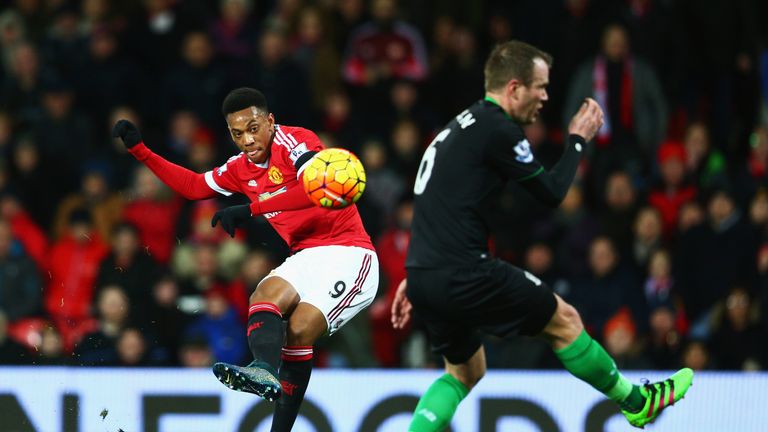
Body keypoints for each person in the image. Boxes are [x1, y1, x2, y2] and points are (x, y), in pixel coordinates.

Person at [390, 40, 692, 431]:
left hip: (425, 272)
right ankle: (637, 402)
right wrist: (578, 140)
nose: (546, 97)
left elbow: (433, 203)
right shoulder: (497, 127)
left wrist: (419, 277)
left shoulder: (456, 128)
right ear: (514, 88)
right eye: (540, 87)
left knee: (465, 371)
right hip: (462, 270)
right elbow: (551, 193)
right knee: (564, 320)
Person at [112, 87, 378, 431]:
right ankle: (263, 370)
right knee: (262, 296)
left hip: (350, 254)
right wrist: (140, 151)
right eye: (238, 133)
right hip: (307, 255)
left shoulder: (295, 142)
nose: (248, 140)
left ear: (269, 121)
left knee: (298, 329)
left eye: (253, 128)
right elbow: (193, 186)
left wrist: (252, 208)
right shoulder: (239, 168)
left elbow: (315, 188)